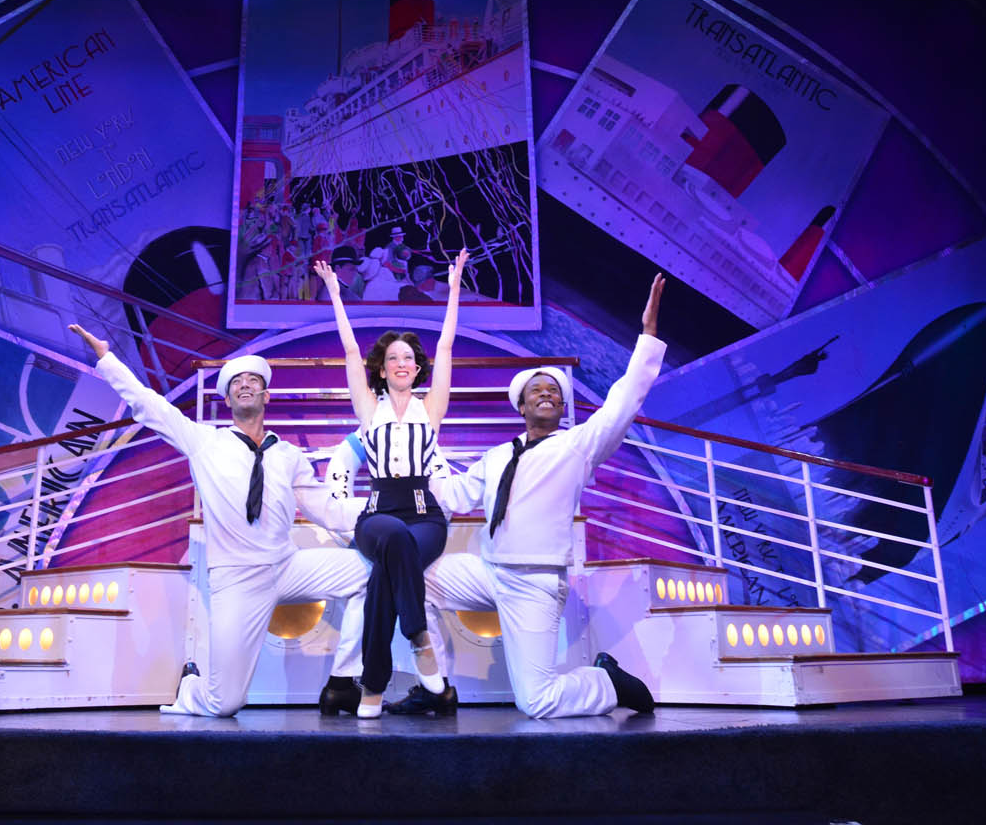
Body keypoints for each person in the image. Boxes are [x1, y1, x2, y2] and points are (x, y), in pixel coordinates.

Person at [389, 273, 667, 719]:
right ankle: (434, 685)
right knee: (409, 578)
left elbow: (623, 401)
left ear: (560, 408)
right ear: (521, 406)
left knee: (536, 701)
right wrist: (414, 457)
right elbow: (455, 494)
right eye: (536, 389)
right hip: (488, 570)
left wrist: (648, 337)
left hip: (535, 582)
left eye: (554, 392)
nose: (546, 394)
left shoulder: (577, 446)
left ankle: (605, 681)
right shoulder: (498, 455)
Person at [68, 323, 368, 717]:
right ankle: (190, 684)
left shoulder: (289, 455)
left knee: (374, 570)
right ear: (227, 399)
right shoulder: (205, 443)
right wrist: (107, 358)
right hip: (237, 578)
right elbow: (148, 405)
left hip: (287, 565)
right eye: (236, 382)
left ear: (266, 394)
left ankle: (345, 679)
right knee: (223, 704)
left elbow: (327, 509)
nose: (244, 385)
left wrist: (382, 508)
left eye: (252, 380)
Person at [313, 247, 469, 718]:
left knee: (385, 572)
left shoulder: (431, 407)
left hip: (426, 515)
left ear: (417, 369)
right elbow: (348, 349)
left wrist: (455, 287)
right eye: (394, 358)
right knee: (391, 540)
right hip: (378, 514)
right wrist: (337, 295)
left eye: (409, 359)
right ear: (382, 368)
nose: (403, 363)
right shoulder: (369, 407)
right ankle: (419, 639)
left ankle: (373, 685)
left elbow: (445, 346)